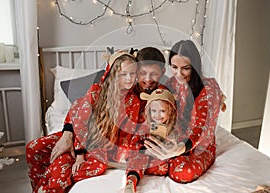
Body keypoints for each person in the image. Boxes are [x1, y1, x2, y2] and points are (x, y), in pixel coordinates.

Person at [26, 46, 167, 192]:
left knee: (62, 167)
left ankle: (52, 184)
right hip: (81, 137)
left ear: (162, 73)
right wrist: (70, 136)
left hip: (103, 145)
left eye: (153, 74)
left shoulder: (154, 96)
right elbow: (78, 111)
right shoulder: (98, 90)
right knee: (34, 148)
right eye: (142, 73)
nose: (147, 79)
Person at [125, 39, 224, 189]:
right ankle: (134, 178)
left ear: (195, 67)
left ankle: (161, 164)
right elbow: (158, 113)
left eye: (186, 68)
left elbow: (203, 129)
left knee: (182, 172)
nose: (179, 74)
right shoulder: (170, 84)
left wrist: (179, 149)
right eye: (174, 67)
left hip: (197, 146)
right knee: (137, 149)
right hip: (172, 139)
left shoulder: (209, 89)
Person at [124, 88, 178, 193]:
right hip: (147, 158)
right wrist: (145, 150)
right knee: (137, 158)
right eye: (154, 111)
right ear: (149, 111)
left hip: (165, 160)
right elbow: (133, 144)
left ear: (170, 112)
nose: (157, 115)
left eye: (162, 111)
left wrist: (171, 147)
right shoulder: (146, 126)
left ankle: (146, 169)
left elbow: (181, 147)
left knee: (177, 164)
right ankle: (131, 181)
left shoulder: (175, 128)